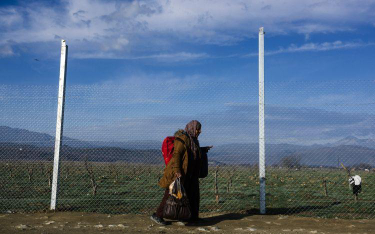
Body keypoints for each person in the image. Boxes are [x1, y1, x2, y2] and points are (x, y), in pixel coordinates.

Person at [150, 120, 212, 225]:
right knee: (170, 195)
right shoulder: (182, 139)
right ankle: (157, 215)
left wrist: (202, 150)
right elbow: (177, 155)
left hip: (190, 174)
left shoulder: (194, 140)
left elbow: (191, 153)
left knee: (193, 195)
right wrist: (177, 171)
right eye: (198, 129)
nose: (200, 131)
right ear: (192, 128)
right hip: (180, 173)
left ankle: (192, 217)